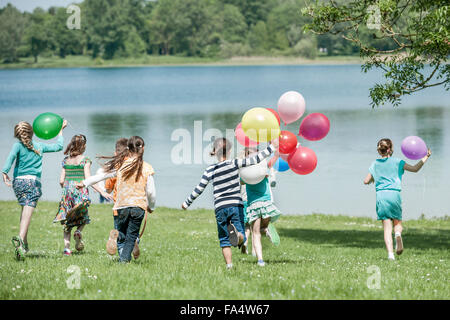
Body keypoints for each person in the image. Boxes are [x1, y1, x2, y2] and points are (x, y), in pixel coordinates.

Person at [181, 137, 277, 269]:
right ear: (230, 150)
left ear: (214, 151)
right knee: (241, 232)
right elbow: (256, 159)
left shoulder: (210, 170)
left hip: (220, 207)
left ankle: (229, 265)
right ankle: (239, 236)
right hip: (235, 205)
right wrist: (271, 147)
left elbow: (199, 188)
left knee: (224, 239)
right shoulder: (235, 163)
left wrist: (187, 203)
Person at [78, 136, 156, 263]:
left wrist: (85, 182)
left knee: (123, 234)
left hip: (120, 207)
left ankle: (121, 251)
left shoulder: (120, 165)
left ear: (128, 149)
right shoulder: (147, 167)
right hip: (138, 207)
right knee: (131, 237)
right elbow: (151, 192)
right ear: (143, 149)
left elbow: (102, 176)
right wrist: (151, 206)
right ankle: (124, 260)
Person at [2, 120, 67, 260]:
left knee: (24, 211)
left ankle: (24, 244)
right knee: (27, 213)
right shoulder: (39, 146)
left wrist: (5, 172)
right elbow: (59, 146)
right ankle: (20, 239)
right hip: (32, 183)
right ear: (32, 132)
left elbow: (11, 157)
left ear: (17, 134)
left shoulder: (17, 146)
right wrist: (60, 130)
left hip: (18, 183)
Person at [364, 138, 431, 261]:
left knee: (386, 228)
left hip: (382, 196)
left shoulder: (375, 164)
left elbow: (366, 181)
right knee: (397, 223)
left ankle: (390, 255)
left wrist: (374, 179)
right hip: (394, 195)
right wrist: (426, 157)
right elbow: (415, 169)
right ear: (390, 149)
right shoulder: (398, 162)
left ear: (380, 151)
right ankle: (398, 234)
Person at [53, 134, 112, 256]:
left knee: (67, 220)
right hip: (80, 190)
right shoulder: (85, 160)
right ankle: (79, 231)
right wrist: (101, 191)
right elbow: (88, 179)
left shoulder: (65, 160)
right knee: (83, 216)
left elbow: (60, 180)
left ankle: (67, 249)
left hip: (67, 191)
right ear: (83, 146)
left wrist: (66, 190)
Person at [242, 147, 281, 266]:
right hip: (266, 203)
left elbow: (241, 182)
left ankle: (260, 260)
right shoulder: (264, 169)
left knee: (255, 233)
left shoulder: (245, 171)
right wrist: (276, 148)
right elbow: (274, 159)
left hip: (253, 205)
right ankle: (266, 229)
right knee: (261, 228)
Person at [103, 137, 141, 259]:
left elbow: (108, 188)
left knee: (121, 235)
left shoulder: (116, 166)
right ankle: (134, 242)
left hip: (119, 208)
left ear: (115, 153)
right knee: (133, 233)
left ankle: (123, 254)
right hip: (136, 205)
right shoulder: (135, 165)